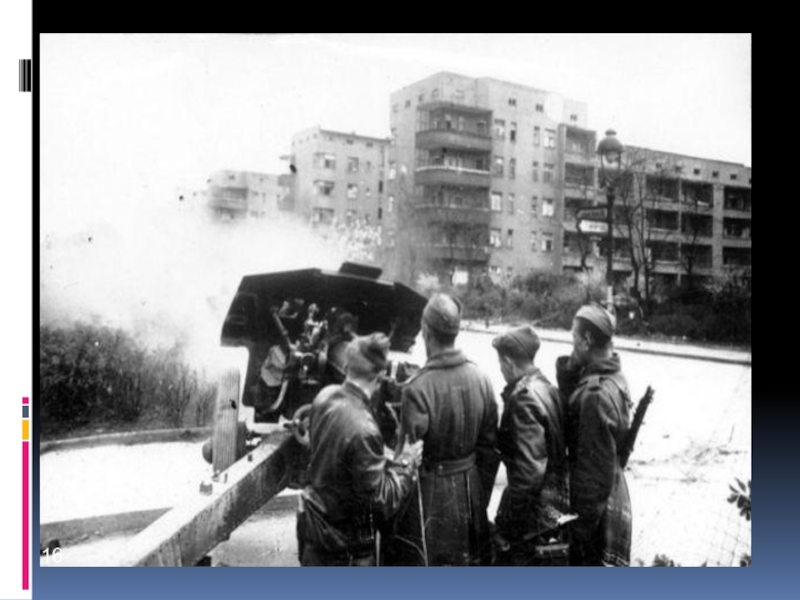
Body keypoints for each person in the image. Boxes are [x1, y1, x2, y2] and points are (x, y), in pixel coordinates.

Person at [387, 293, 499, 566]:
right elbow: (490, 451)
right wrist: (478, 495)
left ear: (425, 331)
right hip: (471, 494)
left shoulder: (418, 388)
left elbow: (407, 460)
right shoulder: (482, 378)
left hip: (432, 501)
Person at [296, 333, 423, 566]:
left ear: (347, 367)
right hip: (345, 551)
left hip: (315, 533)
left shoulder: (324, 397)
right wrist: (407, 462)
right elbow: (381, 503)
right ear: (380, 376)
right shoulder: (365, 429)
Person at [556, 303, 632, 566]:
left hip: (597, 517)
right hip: (611, 496)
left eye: (574, 339)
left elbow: (591, 482)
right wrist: (570, 369)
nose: (572, 346)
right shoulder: (614, 376)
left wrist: (578, 536)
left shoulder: (595, 396)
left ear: (587, 340)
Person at [491, 325, 569, 566]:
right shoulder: (548, 388)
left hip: (533, 520)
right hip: (554, 510)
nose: (500, 369)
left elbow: (528, 475)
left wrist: (507, 526)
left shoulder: (524, 398)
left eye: (500, 363)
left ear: (508, 362)